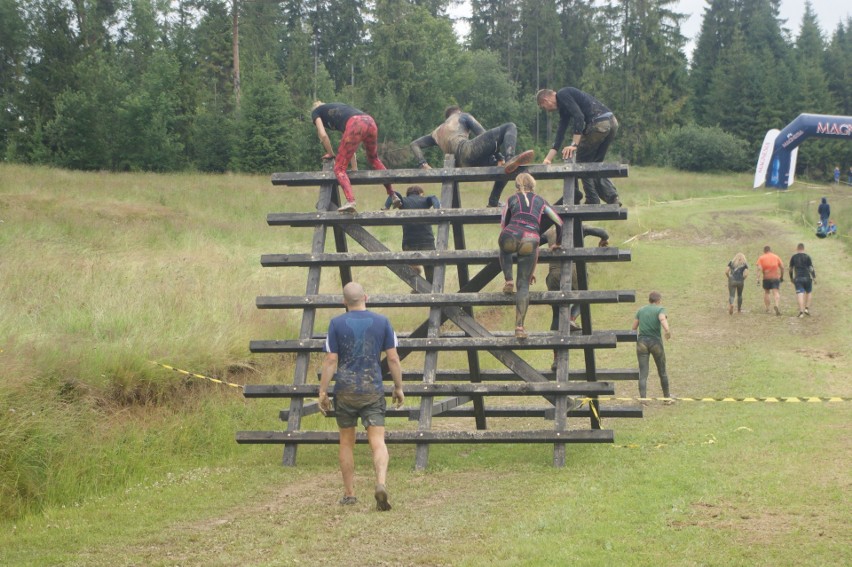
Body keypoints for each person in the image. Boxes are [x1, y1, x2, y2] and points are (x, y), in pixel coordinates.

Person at [318, 282, 405, 510]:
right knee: (377, 441)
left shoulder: (336, 324)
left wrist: (323, 391)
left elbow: (330, 360)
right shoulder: (382, 322)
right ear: (366, 297)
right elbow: (393, 358)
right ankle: (381, 483)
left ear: (343, 302)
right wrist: (398, 387)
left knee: (346, 442)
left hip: (345, 389)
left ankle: (349, 493)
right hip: (372, 387)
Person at [410, 106, 535, 207]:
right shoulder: (462, 116)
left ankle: (493, 202)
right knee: (510, 126)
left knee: (502, 166)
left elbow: (414, 144)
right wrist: (500, 156)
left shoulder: (436, 133)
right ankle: (509, 158)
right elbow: (482, 133)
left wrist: (423, 164)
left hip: (460, 165)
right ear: (458, 112)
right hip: (467, 150)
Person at [498, 172, 563, 339]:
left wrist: (508, 233)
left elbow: (504, 222)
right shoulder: (541, 201)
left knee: (504, 248)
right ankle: (519, 327)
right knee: (524, 286)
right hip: (531, 238)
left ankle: (508, 280)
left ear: (517, 185)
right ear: (533, 185)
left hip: (511, 233)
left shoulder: (511, 199)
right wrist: (558, 243)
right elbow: (558, 221)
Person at [536, 87, 621, 206]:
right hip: (612, 122)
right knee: (596, 164)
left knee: (580, 162)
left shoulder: (562, 94)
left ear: (545, 100)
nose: (546, 110)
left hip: (599, 123)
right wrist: (548, 159)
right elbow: (560, 133)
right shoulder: (564, 108)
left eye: (543, 107)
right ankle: (613, 198)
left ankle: (591, 199)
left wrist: (574, 144)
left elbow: (579, 117)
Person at [542, 224, 609, 370]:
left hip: (553, 275)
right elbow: (603, 231)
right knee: (583, 296)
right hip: (573, 273)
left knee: (555, 315)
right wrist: (603, 240)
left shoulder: (549, 230)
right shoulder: (578, 226)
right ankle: (571, 318)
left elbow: (533, 241)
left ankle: (556, 358)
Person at [311, 101, 398, 213]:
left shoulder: (316, 112)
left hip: (355, 124)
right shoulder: (337, 110)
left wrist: (331, 153)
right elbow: (351, 145)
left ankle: (351, 201)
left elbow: (323, 135)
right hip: (369, 121)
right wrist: (354, 168)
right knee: (374, 159)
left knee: (339, 168)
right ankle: (393, 195)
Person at [383, 185, 441, 283]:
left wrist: (386, 207)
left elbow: (394, 194)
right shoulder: (425, 200)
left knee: (410, 265)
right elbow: (433, 197)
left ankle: (417, 285)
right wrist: (437, 209)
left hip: (409, 241)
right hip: (427, 240)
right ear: (421, 193)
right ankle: (430, 289)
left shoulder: (403, 201)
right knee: (430, 267)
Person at [631, 291, 672, 402]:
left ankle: (643, 399)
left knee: (643, 372)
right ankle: (667, 397)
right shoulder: (660, 309)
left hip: (642, 343)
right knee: (662, 371)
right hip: (655, 342)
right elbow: (662, 318)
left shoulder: (641, 310)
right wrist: (667, 330)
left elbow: (634, 327)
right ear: (658, 300)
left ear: (649, 300)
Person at [789, 243, 817, 318]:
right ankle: (806, 308)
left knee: (800, 294)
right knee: (809, 292)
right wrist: (814, 277)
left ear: (797, 248)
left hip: (798, 278)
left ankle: (801, 312)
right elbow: (811, 268)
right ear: (803, 249)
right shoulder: (807, 256)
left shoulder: (794, 257)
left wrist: (791, 278)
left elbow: (791, 269)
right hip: (807, 278)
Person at [756, 245, 784, 316]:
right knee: (776, 292)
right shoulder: (776, 257)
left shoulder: (761, 258)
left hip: (766, 278)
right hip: (775, 277)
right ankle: (777, 305)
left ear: (764, 251)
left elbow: (759, 269)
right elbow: (782, 267)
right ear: (770, 250)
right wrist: (781, 276)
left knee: (767, 292)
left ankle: (768, 308)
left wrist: (758, 279)